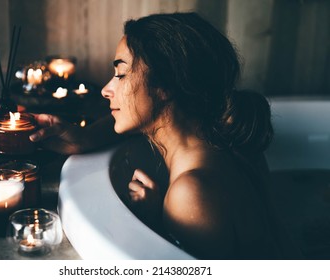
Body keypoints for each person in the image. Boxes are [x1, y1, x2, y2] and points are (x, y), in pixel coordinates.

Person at [30, 12, 301, 259]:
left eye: (122, 74)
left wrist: (156, 225)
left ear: (165, 86)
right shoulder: (234, 144)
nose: (106, 89)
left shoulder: (191, 192)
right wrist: (85, 138)